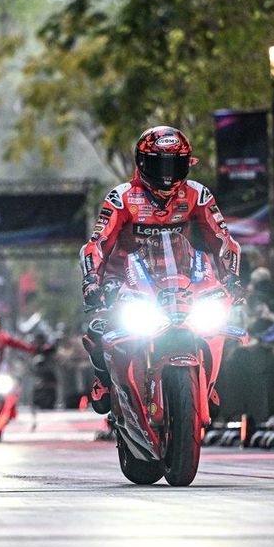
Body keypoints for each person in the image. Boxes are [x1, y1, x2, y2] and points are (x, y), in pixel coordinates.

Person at [78, 126, 241, 413]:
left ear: (187, 163)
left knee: (218, 323)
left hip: (185, 277)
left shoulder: (198, 195)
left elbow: (222, 240)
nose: (167, 175)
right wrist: (92, 281)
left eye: (175, 164)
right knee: (103, 325)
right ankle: (104, 378)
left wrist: (232, 278)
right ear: (141, 163)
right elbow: (97, 243)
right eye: (159, 164)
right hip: (127, 279)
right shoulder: (121, 197)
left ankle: (209, 384)